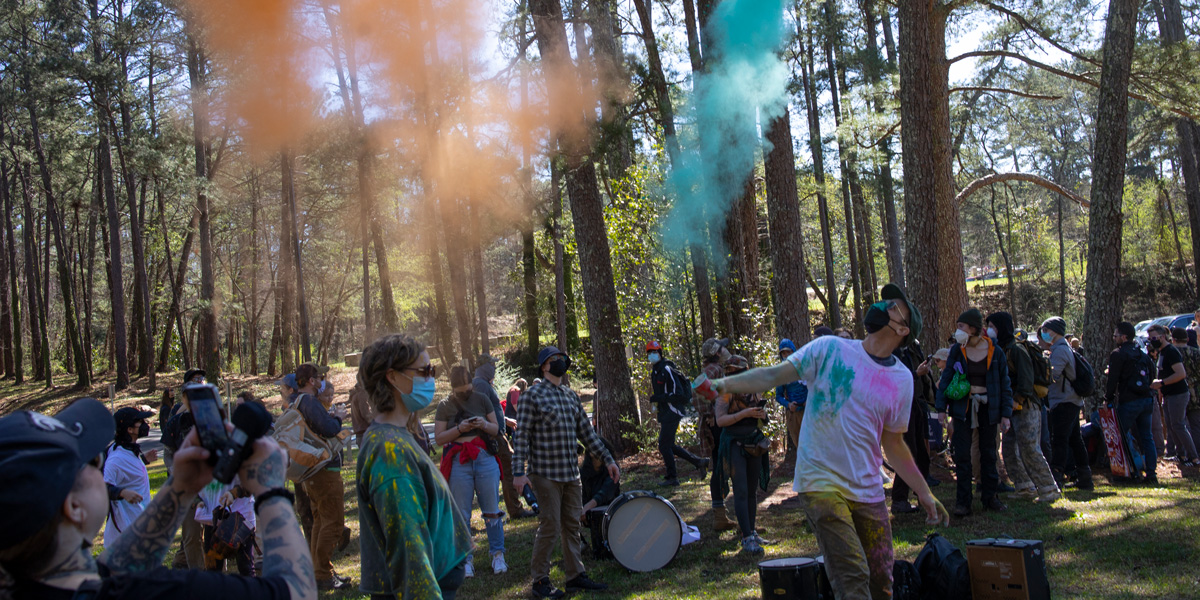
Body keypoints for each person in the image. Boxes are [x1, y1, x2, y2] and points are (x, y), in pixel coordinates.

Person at [712, 283, 948, 599]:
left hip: (868, 492)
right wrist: (720, 384)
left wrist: (924, 492)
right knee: (852, 577)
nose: (883, 307)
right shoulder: (829, 349)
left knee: (882, 582)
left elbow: (894, 444)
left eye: (893, 307)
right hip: (820, 484)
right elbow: (772, 376)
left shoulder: (902, 380)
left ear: (903, 329)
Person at [0, 397, 317, 600]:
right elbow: (298, 592)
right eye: (94, 462)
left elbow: (115, 569)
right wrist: (272, 491)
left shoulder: (34, 583)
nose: (101, 462)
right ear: (73, 507)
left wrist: (181, 488)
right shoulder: (160, 593)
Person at [355, 334, 471, 600]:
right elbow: (410, 552)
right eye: (424, 371)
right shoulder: (389, 452)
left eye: (433, 370)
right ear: (392, 377)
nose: (431, 378)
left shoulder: (396, 436)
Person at [512, 346, 619, 599]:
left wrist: (608, 459)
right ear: (544, 366)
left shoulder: (570, 396)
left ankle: (575, 576)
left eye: (562, 358)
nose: (560, 362)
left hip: (572, 475)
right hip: (545, 474)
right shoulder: (532, 396)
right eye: (553, 359)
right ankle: (540, 582)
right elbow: (522, 437)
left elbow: (588, 435)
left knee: (572, 525)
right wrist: (519, 473)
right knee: (549, 526)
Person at [936, 308, 1014, 516]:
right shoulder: (956, 351)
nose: (957, 330)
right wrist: (941, 409)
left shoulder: (994, 351)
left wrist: (1006, 414)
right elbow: (946, 379)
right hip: (963, 408)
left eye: (961, 327)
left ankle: (990, 497)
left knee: (989, 453)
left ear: (972, 328)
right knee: (962, 455)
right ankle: (963, 502)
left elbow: (1005, 384)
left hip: (989, 409)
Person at [435, 365, 507, 577]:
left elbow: (496, 429)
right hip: (459, 460)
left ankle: (497, 554)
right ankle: (466, 559)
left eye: (468, 390)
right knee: (462, 513)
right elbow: (439, 438)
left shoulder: (482, 399)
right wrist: (459, 429)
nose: (465, 394)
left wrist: (483, 424)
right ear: (453, 388)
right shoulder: (444, 405)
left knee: (492, 508)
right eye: (460, 392)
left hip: (484, 458)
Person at [988, 312, 1060, 503]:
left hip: (1026, 406)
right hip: (1011, 408)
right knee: (1010, 447)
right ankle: (1024, 485)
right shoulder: (1001, 349)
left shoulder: (1017, 349)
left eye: (993, 327)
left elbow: (1026, 381)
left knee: (1029, 447)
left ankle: (1048, 488)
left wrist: (1016, 399)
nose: (989, 331)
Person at [292, 363, 352, 590]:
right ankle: (323, 574)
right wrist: (337, 417)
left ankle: (319, 572)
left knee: (319, 520)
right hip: (324, 470)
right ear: (310, 381)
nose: (322, 381)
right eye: (319, 377)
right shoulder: (309, 402)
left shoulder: (298, 401)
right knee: (334, 523)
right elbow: (328, 428)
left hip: (313, 472)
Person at [713, 354, 770, 554]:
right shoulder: (725, 391)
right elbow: (720, 420)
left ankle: (752, 531)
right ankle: (746, 536)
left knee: (752, 491)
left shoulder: (754, 387)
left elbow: (763, 419)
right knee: (741, 490)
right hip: (734, 444)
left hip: (754, 441)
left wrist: (762, 415)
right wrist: (744, 414)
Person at [474, 356, 536, 520]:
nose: (494, 368)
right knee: (510, 470)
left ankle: (515, 508)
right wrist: (491, 431)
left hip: (497, 433)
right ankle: (516, 510)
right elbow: (479, 410)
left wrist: (506, 420)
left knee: (508, 468)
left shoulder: (483, 383)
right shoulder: (480, 384)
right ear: (484, 367)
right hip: (493, 437)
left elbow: (491, 408)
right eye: (492, 364)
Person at [647, 341, 709, 486]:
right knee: (669, 445)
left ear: (660, 353)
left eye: (654, 352)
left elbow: (679, 394)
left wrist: (659, 398)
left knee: (663, 445)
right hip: (665, 411)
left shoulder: (667, 369)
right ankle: (699, 462)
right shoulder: (655, 371)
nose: (652, 355)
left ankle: (672, 477)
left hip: (673, 410)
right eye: (649, 353)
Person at [1042, 317, 1093, 490]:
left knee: (1060, 440)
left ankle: (1057, 476)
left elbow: (1052, 376)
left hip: (1064, 401)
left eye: (1046, 330)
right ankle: (1085, 478)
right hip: (1069, 400)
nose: (1044, 334)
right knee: (1074, 439)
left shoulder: (1061, 350)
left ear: (1054, 332)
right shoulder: (1062, 348)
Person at [164, 370, 206, 570]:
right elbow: (168, 455)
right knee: (191, 535)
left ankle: (184, 566)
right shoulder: (175, 421)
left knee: (212, 532)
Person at [1106, 322, 1158, 483]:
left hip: (1129, 400)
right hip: (1146, 399)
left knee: (1120, 437)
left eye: (1115, 336)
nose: (1114, 338)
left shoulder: (1118, 354)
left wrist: (1108, 398)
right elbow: (1152, 373)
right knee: (1147, 437)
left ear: (1124, 337)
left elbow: (1112, 379)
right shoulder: (1142, 354)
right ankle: (1151, 474)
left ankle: (1126, 473)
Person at [891, 335, 935, 514]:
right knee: (908, 453)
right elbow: (892, 379)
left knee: (922, 454)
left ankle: (922, 493)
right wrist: (916, 374)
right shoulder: (891, 350)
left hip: (916, 402)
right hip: (901, 406)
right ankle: (899, 499)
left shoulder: (913, 346)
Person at [103, 407, 158, 547]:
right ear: (130, 429)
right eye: (140, 421)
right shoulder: (116, 459)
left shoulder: (128, 450)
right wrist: (121, 492)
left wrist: (144, 460)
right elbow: (101, 488)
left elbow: (129, 473)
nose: (146, 424)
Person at [1160, 328, 1199, 467]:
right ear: (1187, 339)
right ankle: (1195, 454)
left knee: (1175, 425)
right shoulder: (1195, 353)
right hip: (1195, 394)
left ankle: (1177, 452)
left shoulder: (1171, 352)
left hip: (1175, 392)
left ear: (1173, 339)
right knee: (1194, 426)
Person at [578, 437, 620, 559]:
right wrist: (581, 510)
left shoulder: (613, 470)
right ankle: (579, 542)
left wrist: (586, 508)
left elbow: (604, 494)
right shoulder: (583, 472)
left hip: (609, 513)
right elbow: (581, 495)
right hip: (588, 513)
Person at [774, 339, 808, 451]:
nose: (787, 355)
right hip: (793, 413)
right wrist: (788, 405)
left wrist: (810, 400)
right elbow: (778, 396)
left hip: (808, 411)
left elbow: (814, 386)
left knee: (813, 444)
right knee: (800, 446)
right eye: (784, 353)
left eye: (789, 352)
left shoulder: (804, 366)